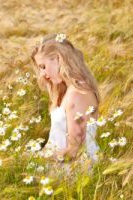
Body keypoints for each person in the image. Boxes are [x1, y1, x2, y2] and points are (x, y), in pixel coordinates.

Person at [30, 33, 101, 174]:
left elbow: (75, 150)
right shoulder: (68, 90)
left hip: (73, 171)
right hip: (59, 163)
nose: (42, 74)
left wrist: (37, 159)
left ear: (58, 58)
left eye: (43, 66)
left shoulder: (77, 94)